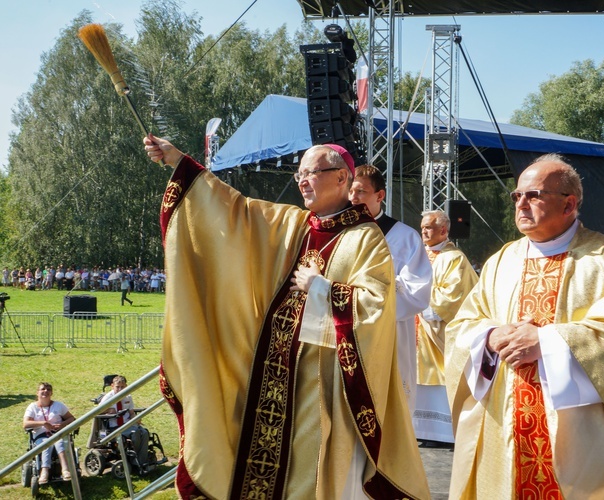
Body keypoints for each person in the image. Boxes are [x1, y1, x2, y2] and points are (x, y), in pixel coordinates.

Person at [144, 135, 429, 499]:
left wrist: (322, 288)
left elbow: (376, 308)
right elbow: (236, 212)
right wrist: (180, 163)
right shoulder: (294, 224)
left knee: (317, 480)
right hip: (273, 379)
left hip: (328, 388)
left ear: (342, 178)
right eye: (299, 174)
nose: (302, 181)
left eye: (311, 172)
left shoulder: (365, 238)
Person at [444, 154, 604, 499]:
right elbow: (463, 325)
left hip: (581, 431)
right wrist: (490, 336)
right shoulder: (501, 261)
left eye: (534, 195)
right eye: (516, 196)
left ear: (569, 204)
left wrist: (547, 342)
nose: (521, 204)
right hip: (505, 426)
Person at [349, 165, 433, 413]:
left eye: (361, 191)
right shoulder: (340, 232)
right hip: (344, 328)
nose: (353, 197)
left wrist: (373, 289)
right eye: (351, 191)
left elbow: (417, 292)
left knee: (385, 406)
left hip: (388, 332)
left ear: (380, 195)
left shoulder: (405, 237)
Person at [413, 210, 477, 446]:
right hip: (416, 328)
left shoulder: (454, 259)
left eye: (429, 227)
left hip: (437, 329)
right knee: (417, 376)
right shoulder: (419, 255)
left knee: (440, 375)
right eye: (422, 228)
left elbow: (455, 294)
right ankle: (422, 430)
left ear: (443, 230)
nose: (424, 232)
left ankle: (442, 434)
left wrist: (424, 303)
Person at [22, 382, 76, 484]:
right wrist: (43, 423)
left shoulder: (58, 405)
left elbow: (72, 418)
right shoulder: (32, 407)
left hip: (57, 433)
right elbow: (25, 424)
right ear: (37, 392)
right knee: (47, 444)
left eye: (48, 389)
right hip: (41, 436)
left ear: (51, 393)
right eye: (43, 389)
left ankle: (65, 470)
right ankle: (44, 471)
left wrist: (62, 424)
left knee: (60, 442)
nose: (45, 391)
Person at [99, 376, 151, 473]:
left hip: (127, 424)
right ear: (112, 386)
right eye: (117, 387)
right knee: (135, 432)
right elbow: (97, 412)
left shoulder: (128, 397)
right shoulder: (108, 397)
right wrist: (108, 410)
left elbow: (131, 412)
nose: (120, 389)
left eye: (122, 387)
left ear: (126, 386)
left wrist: (136, 419)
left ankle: (142, 461)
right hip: (115, 426)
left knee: (144, 432)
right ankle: (134, 462)